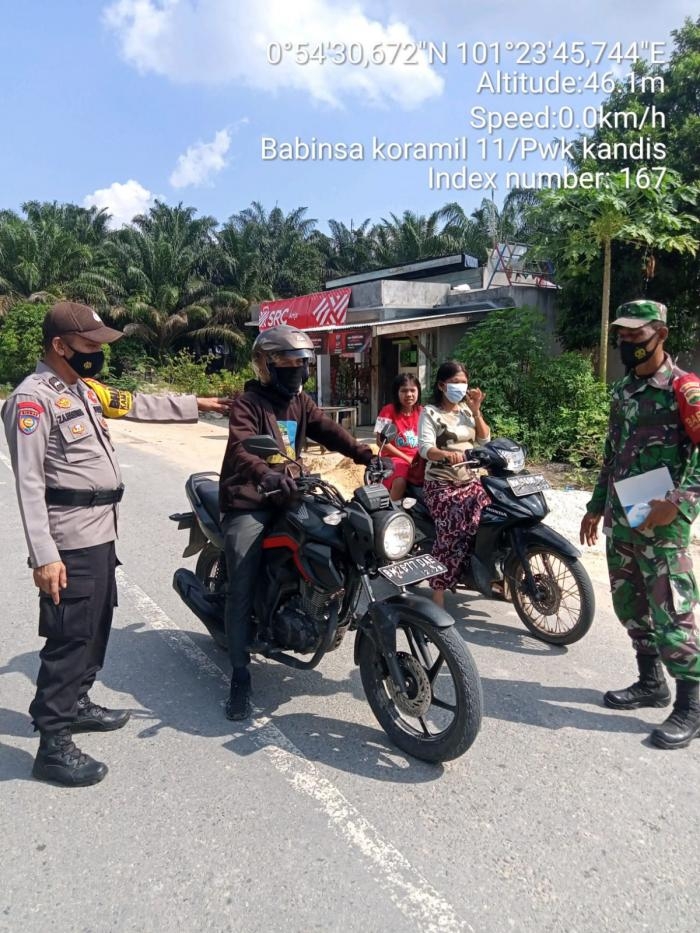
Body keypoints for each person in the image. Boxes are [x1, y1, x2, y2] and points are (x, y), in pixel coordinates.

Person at [2, 301, 231, 786]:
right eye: (89, 344)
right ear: (59, 345)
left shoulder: (82, 389)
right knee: (70, 636)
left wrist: (201, 405)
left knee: (98, 622)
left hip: (101, 530)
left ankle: (77, 701)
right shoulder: (32, 400)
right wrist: (44, 556)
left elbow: (137, 404)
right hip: (68, 539)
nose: (97, 353)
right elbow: (28, 483)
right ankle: (53, 743)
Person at [218, 324, 385, 721]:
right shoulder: (248, 403)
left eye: (302, 362)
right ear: (266, 365)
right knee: (242, 578)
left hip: (291, 492)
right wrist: (266, 475)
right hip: (251, 498)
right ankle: (240, 675)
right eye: (287, 362)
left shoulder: (300, 402)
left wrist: (367, 455)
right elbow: (242, 449)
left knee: (335, 535)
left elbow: (332, 432)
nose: (297, 369)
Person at [579, 300, 700, 750]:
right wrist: (595, 505)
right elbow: (612, 453)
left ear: (660, 335)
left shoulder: (684, 388)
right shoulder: (623, 390)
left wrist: (680, 502)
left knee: (672, 612)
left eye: (636, 335)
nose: (627, 342)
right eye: (622, 335)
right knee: (630, 604)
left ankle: (691, 706)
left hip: (663, 524)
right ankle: (651, 683)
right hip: (624, 516)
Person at [417, 360, 491, 608]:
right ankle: (438, 591)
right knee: (452, 530)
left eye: (464, 382)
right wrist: (446, 454)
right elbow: (425, 448)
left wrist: (477, 410)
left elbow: (484, 440)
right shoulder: (430, 413)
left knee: (494, 515)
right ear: (441, 385)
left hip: (470, 480)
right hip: (442, 484)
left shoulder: (467, 411)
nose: (461, 387)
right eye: (455, 382)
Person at [374, 373, 422, 501]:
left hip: (419, 459)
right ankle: (391, 509)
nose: (409, 394)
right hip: (394, 459)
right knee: (400, 481)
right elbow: (380, 441)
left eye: (412, 390)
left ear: (418, 391)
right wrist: (407, 458)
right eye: (404, 391)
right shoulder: (387, 411)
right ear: (397, 392)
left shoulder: (423, 412)